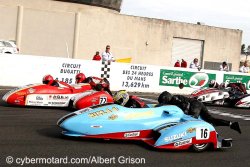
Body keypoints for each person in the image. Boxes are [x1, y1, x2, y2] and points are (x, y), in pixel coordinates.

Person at [157, 91, 241, 134]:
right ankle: (231, 124)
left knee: (192, 121)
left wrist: (187, 114)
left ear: (166, 98)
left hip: (195, 105)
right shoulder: (174, 99)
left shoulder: (175, 98)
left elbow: (186, 105)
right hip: (198, 104)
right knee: (210, 119)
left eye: (163, 101)